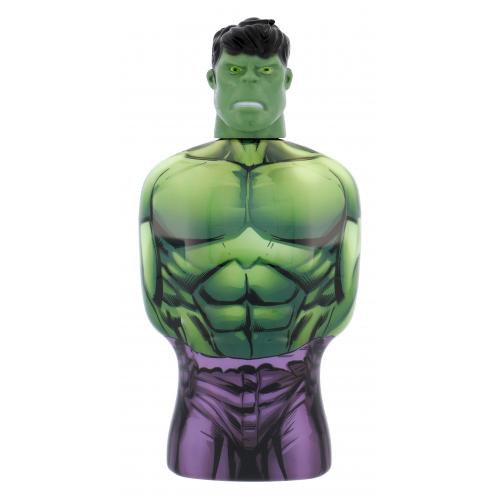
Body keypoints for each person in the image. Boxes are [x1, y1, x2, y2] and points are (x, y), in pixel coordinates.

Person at [139, 17, 360, 480]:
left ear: (287, 79)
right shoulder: (166, 183)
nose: (250, 83)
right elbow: (155, 296)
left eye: (265, 71)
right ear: (212, 79)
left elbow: (342, 297)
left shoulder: (331, 182)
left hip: (297, 393)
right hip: (201, 394)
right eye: (236, 71)